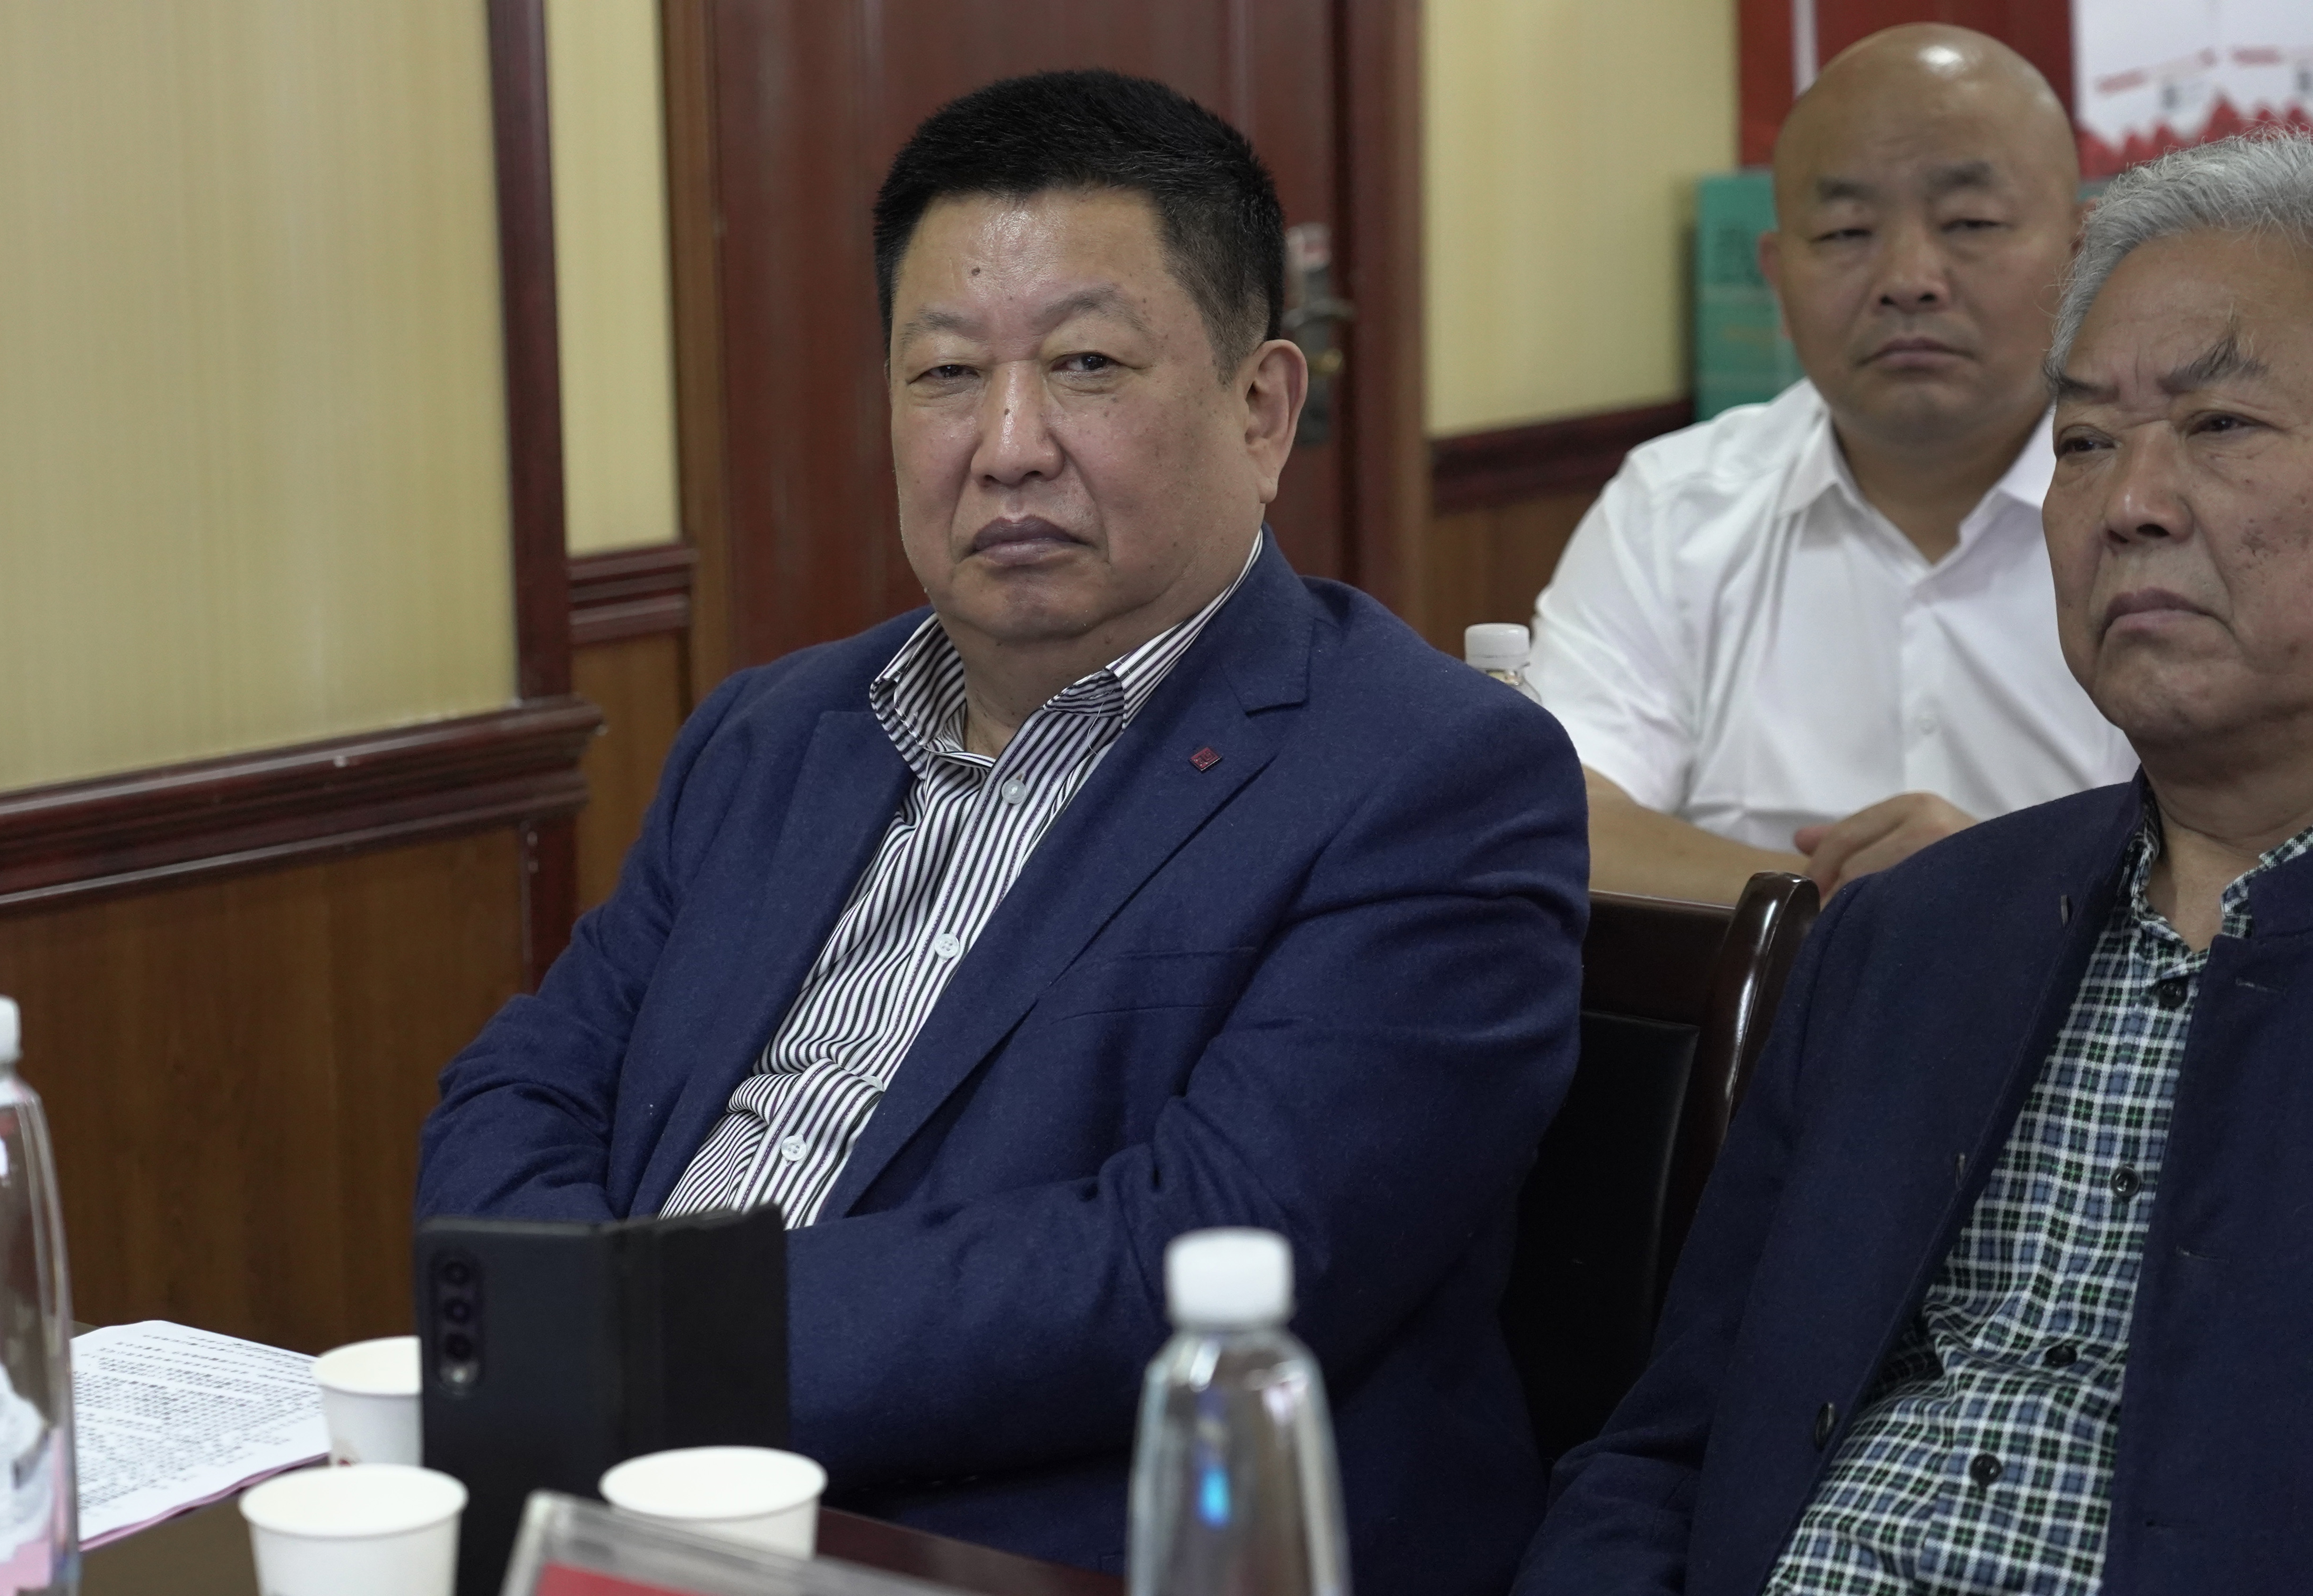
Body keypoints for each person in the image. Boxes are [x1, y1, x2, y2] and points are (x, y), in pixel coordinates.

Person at [416, 70, 1585, 1587]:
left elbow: (1199, 1256)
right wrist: (564, 1359)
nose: (1009, 443)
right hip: (606, 1509)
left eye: (1088, 364)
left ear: (1262, 410)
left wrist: (635, 1347)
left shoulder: (1429, 776)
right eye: (947, 374)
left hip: (1030, 1546)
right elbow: (522, 1088)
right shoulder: (772, 735)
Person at [1515, 128, 2313, 1592]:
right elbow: (1665, 1455)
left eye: (2218, 425)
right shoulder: (1916, 936)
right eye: (2084, 442)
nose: (2129, 501)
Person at [1532, 25, 2136, 906]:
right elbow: (1559, 814)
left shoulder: (2171, 513)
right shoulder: (1671, 509)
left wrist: (1991, 898)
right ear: (1778, 277)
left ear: (2084, 257)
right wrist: (1857, 908)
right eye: (1848, 231)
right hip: (1765, 992)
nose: (1909, 278)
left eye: (1970, 223)